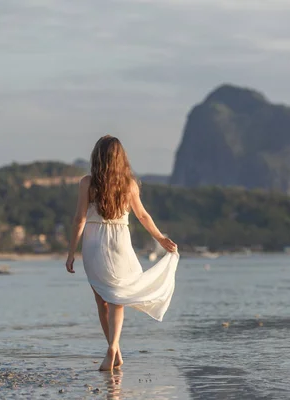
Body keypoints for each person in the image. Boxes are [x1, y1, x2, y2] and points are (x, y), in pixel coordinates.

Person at [65, 135, 179, 372]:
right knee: (117, 300)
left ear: (97, 157)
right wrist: (160, 237)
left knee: (102, 301)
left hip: (94, 243)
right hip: (120, 243)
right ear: (121, 158)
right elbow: (143, 215)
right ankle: (113, 348)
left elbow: (79, 219)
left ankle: (113, 350)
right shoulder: (129, 185)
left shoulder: (87, 183)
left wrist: (71, 251)